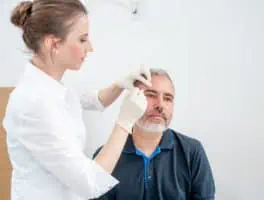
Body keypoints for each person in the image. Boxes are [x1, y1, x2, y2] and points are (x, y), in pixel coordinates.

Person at [2, 1, 152, 200]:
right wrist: (125, 122)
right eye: (83, 40)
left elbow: (88, 100)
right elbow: (90, 182)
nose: (90, 48)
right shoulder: (32, 104)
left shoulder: (51, 84)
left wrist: (119, 86)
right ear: (54, 44)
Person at [93, 68, 216, 200]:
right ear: (132, 100)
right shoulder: (105, 158)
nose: (160, 105)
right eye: (151, 95)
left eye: (168, 98)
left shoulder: (191, 151)